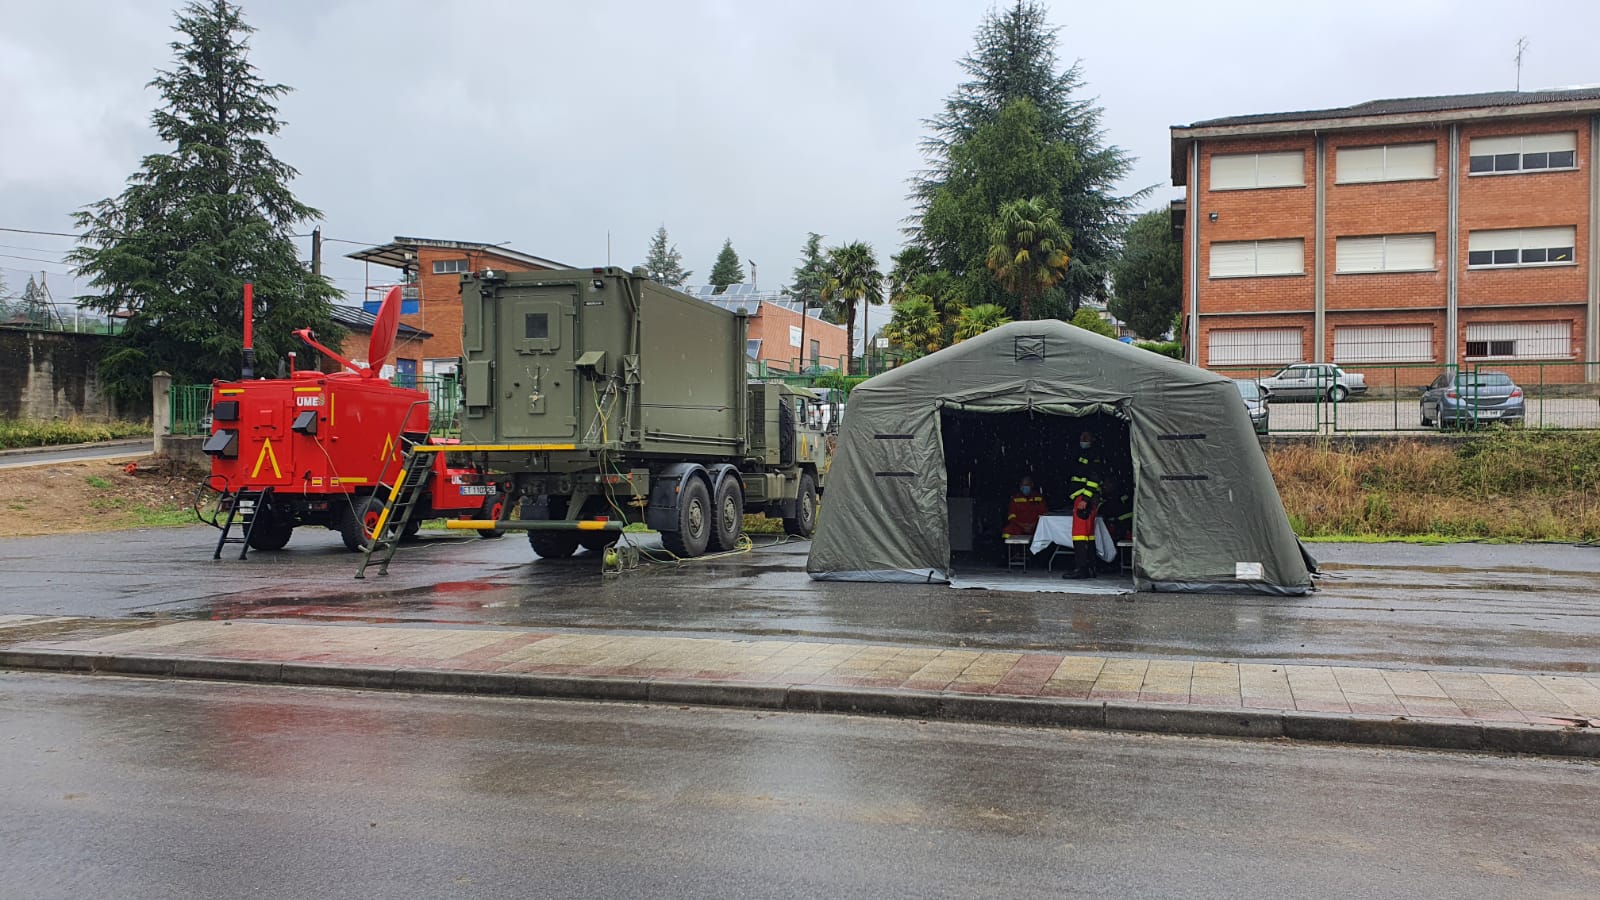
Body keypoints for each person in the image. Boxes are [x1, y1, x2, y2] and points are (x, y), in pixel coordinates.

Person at [1062, 430, 1105, 579]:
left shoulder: (1092, 455)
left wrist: (1085, 499)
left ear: (1093, 439)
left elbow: (1094, 478)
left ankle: (1081, 569)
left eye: (1086, 437)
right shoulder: (1085, 455)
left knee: (1080, 535)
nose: (1083, 440)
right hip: (1085, 498)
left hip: (1084, 498)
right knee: (1088, 535)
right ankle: (1091, 567)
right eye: (1081, 437)